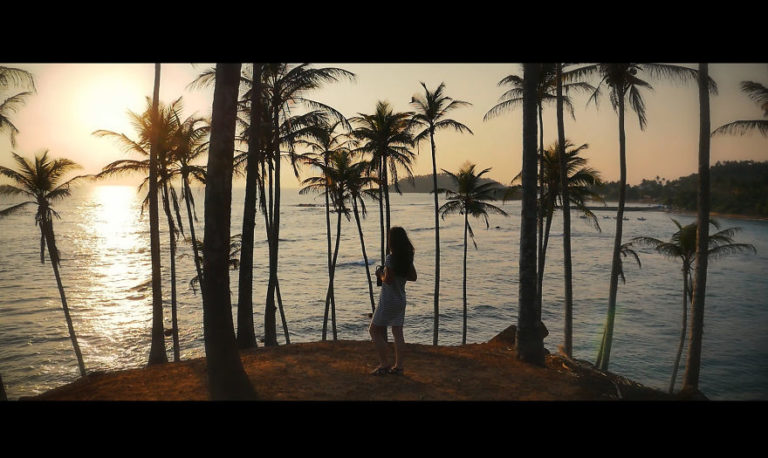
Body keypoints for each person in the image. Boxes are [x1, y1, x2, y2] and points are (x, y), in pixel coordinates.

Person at [369, 226, 417, 375]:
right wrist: (399, 274)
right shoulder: (407, 258)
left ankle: (384, 364)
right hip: (400, 299)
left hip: (388, 300)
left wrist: (380, 274)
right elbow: (413, 277)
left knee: (374, 330)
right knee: (398, 332)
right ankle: (399, 367)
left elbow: (388, 280)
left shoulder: (391, 258)